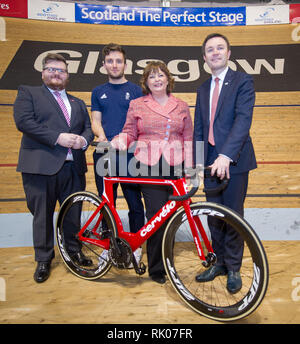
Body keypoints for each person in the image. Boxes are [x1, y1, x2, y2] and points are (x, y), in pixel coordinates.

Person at [13, 53, 94, 283]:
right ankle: (44, 259)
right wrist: (57, 137)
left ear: (67, 76)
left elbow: (87, 128)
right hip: (40, 167)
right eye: (51, 69)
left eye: (61, 70)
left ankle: (74, 251)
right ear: (43, 72)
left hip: (73, 168)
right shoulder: (28, 92)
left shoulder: (77, 102)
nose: (56, 73)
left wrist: (84, 141)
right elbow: (24, 122)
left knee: (73, 213)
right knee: (42, 215)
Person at [111, 61, 193, 284]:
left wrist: (191, 169)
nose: (157, 79)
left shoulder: (182, 105)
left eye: (160, 75)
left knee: (173, 217)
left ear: (168, 79)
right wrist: (122, 139)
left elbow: (188, 139)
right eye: (151, 77)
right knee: (157, 217)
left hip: (176, 166)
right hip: (149, 165)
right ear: (146, 82)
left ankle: (168, 261)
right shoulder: (137, 104)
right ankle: (157, 269)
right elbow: (130, 132)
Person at [193, 33, 257, 293]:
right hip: (209, 163)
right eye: (210, 49)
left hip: (234, 161)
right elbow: (199, 128)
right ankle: (218, 262)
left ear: (229, 54)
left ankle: (233, 267)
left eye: (220, 48)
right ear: (205, 57)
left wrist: (226, 155)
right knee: (214, 217)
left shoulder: (243, 81)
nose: (215, 52)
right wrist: (197, 163)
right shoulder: (202, 88)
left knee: (233, 216)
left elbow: (243, 121)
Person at [91, 43, 145, 266]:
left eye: (118, 61)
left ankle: (136, 245)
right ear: (104, 65)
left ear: (125, 64)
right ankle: (109, 245)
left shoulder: (136, 90)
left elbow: (140, 123)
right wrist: (102, 138)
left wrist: (126, 141)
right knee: (107, 203)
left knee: (135, 203)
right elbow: (95, 120)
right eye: (110, 61)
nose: (114, 65)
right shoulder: (97, 92)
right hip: (105, 155)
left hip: (131, 157)